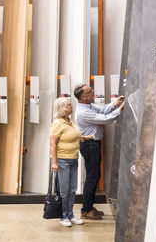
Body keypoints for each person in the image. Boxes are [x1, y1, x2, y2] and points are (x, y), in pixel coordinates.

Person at [73, 84, 124, 220]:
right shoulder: (83, 111)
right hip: (89, 145)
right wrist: (120, 109)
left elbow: (102, 110)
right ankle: (86, 210)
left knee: (94, 176)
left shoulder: (88, 106)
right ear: (84, 96)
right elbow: (105, 119)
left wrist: (115, 104)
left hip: (92, 145)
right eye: (90, 91)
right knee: (92, 177)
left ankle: (88, 207)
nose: (94, 91)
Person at [50, 97, 94, 227]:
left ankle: (70, 215)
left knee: (72, 189)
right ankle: (63, 216)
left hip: (73, 160)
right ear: (63, 108)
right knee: (64, 191)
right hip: (62, 161)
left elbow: (76, 136)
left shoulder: (70, 122)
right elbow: (53, 144)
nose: (71, 106)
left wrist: (86, 137)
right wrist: (55, 162)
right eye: (69, 105)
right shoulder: (57, 123)